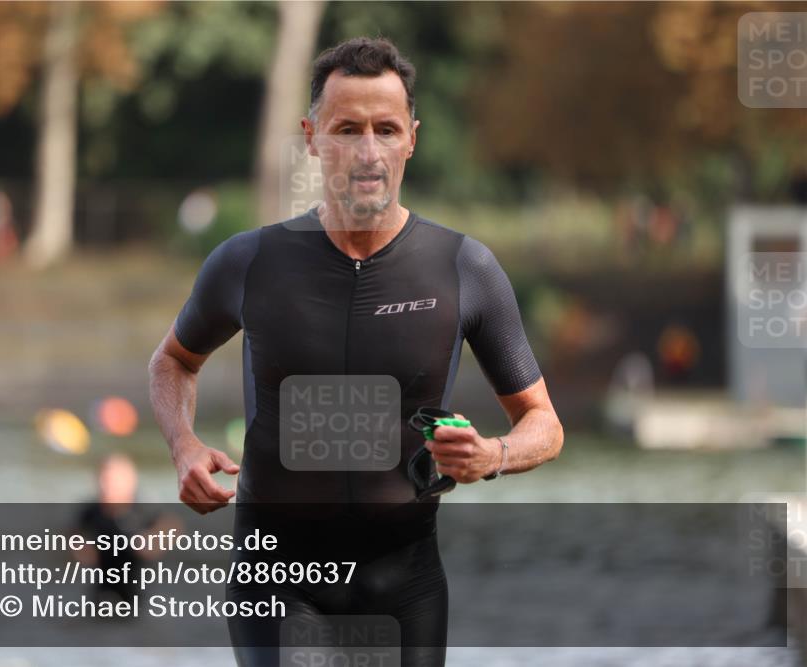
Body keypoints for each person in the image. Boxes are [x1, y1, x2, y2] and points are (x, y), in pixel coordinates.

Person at [148, 37, 564, 667]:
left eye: (386, 129)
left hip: (406, 583)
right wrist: (183, 443)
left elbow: (545, 423)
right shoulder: (249, 261)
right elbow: (173, 361)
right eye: (347, 129)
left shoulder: (463, 268)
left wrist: (493, 455)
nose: (368, 152)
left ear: (412, 139)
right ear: (312, 137)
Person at [72, 454, 180, 605]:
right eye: (103, 479)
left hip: (140, 599)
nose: (106, 486)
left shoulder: (144, 510)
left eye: (113, 481)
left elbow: (172, 526)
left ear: (131, 482)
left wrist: (152, 542)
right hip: (101, 594)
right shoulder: (91, 512)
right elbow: (73, 535)